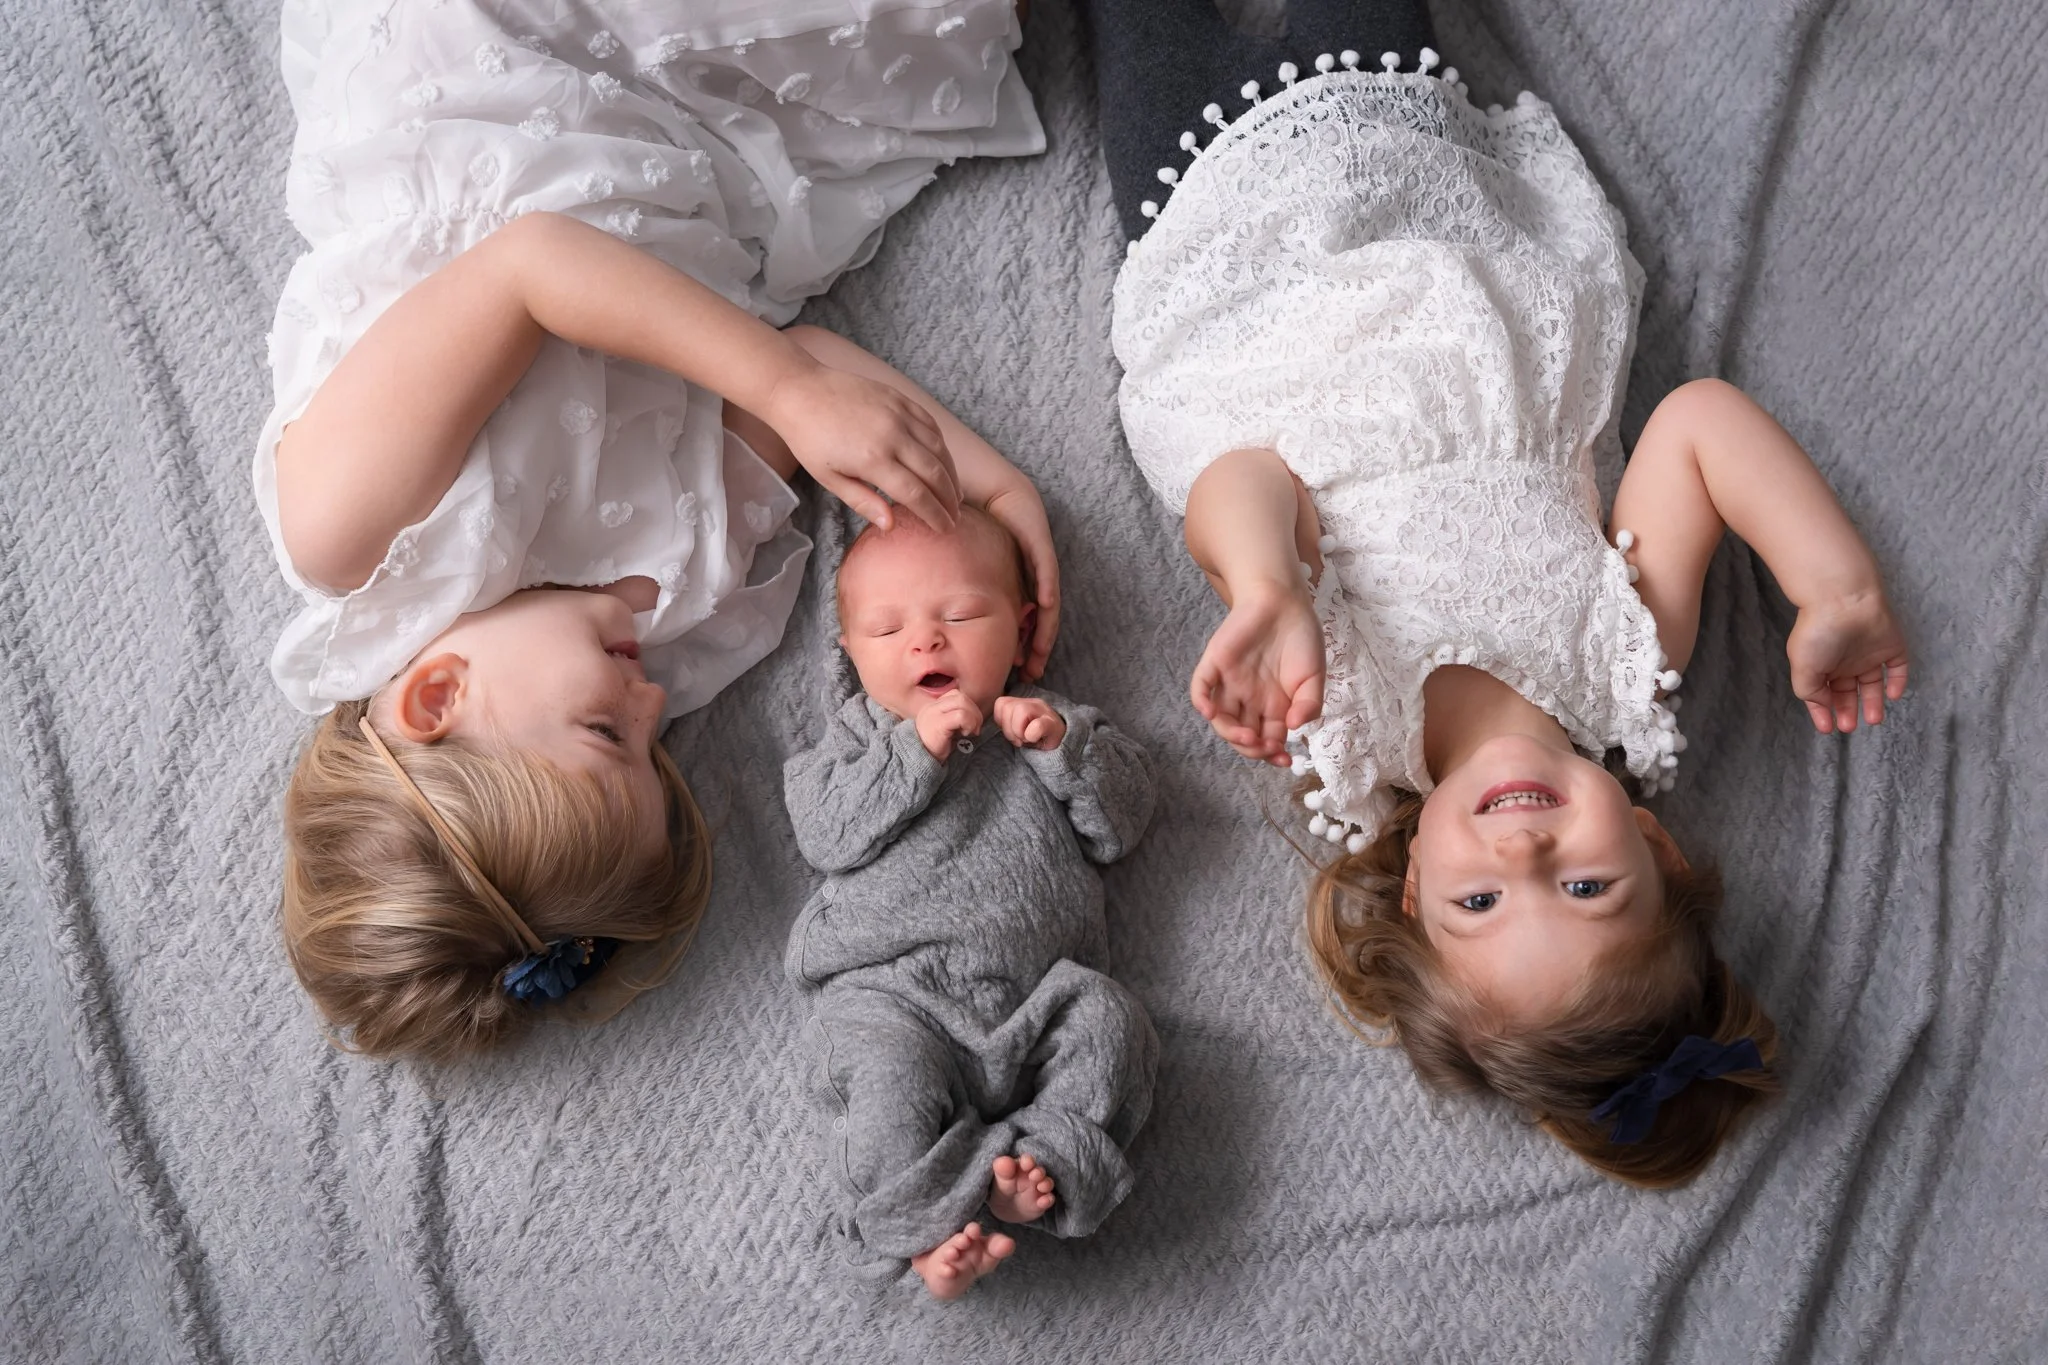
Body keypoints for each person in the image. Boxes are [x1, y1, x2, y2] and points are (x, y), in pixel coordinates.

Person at [1090, 0, 1909, 1183]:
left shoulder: (1340, 727)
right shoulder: (1628, 660)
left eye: (1479, 902)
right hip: (1417, 176)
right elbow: (1694, 426)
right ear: (1655, 848)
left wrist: (1262, 585)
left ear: (1415, 882)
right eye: (1582, 884)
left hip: (1223, 231)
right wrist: (1830, 584)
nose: (1521, 848)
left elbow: (1240, 474)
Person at [263, 0, 1057, 1058]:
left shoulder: (355, 534)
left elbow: (530, 263)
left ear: (437, 695)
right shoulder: (673, 609)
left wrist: (779, 381)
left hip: (492, 77)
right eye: (655, 750)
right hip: (679, 155)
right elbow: (814, 392)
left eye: (609, 731)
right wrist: (994, 492)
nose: (651, 701)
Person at [784, 508, 1156, 1297]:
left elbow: (1123, 824)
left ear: (1021, 634)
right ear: (850, 655)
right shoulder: (856, 740)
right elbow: (826, 832)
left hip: (1040, 998)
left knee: (1114, 1023)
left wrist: (1061, 747)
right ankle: (922, 1228)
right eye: (887, 629)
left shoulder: (1048, 724)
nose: (925, 640)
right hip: (893, 995)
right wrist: (912, 750)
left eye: (959, 615)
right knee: (884, 1088)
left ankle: (1032, 1164)